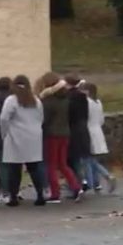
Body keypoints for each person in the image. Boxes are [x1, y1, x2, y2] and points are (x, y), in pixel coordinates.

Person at [0, 75, 46, 207]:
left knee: (14, 168)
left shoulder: (11, 100)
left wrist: (4, 133)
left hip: (16, 136)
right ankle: (40, 195)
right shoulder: (36, 100)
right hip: (34, 137)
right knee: (34, 167)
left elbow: (4, 118)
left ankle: (13, 197)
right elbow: (41, 118)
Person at [40, 73, 82, 203]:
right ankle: (76, 186)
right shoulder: (65, 99)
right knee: (62, 164)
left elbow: (44, 120)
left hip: (51, 135)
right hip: (65, 133)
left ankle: (55, 193)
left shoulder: (47, 101)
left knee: (51, 165)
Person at [81, 82, 117, 193]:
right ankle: (96, 183)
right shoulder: (98, 103)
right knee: (93, 158)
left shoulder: (87, 102)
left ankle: (104, 176)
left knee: (88, 159)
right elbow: (101, 120)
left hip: (89, 132)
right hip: (98, 131)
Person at [66, 74, 92, 188]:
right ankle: (82, 180)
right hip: (82, 127)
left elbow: (69, 114)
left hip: (73, 130)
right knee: (79, 157)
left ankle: (78, 182)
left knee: (72, 158)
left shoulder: (69, 97)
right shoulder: (83, 97)